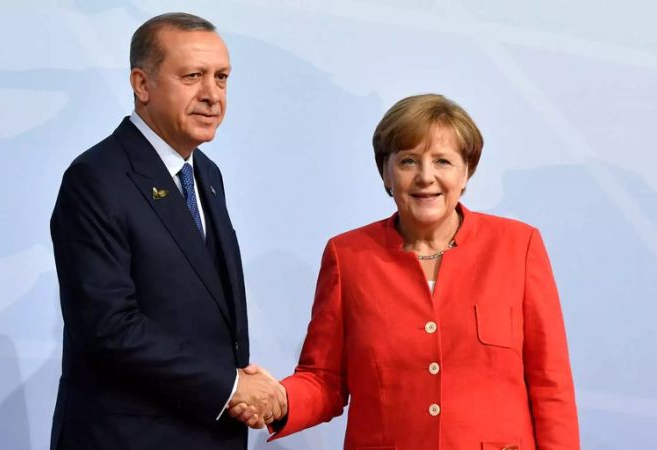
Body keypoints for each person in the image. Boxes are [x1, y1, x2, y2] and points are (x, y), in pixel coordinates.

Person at [233, 94, 580, 449]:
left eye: (442, 161)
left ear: (466, 172)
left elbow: (550, 385)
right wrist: (279, 399)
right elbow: (325, 379)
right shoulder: (348, 256)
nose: (425, 177)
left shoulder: (518, 246)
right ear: (386, 172)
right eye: (409, 161)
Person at [49, 13, 285, 450]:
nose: (212, 95)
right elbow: (108, 328)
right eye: (193, 76)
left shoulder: (206, 175)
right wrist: (231, 388)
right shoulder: (97, 178)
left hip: (206, 433)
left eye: (222, 78)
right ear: (142, 84)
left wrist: (240, 387)